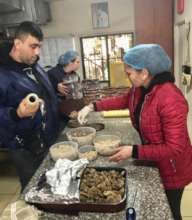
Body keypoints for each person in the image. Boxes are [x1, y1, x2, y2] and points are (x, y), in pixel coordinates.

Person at [77, 44, 192, 220]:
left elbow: (174, 147)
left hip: (173, 168)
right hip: (156, 159)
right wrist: (93, 106)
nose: (127, 76)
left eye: (129, 73)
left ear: (144, 73)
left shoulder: (170, 98)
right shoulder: (141, 89)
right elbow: (123, 100)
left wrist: (134, 151)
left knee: (169, 212)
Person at [0, 21, 62, 191]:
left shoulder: (35, 66)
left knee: (51, 187)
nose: (38, 52)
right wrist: (15, 113)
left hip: (47, 138)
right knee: (32, 188)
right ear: (18, 44)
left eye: (40, 46)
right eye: (33, 46)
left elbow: (45, 97)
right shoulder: (3, 73)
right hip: (24, 147)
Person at [47, 50, 83, 118]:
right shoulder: (52, 73)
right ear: (70, 62)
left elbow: (76, 94)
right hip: (58, 113)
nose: (79, 64)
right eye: (77, 62)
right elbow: (44, 93)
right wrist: (55, 87)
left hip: (72, 110)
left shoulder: (75, 75)